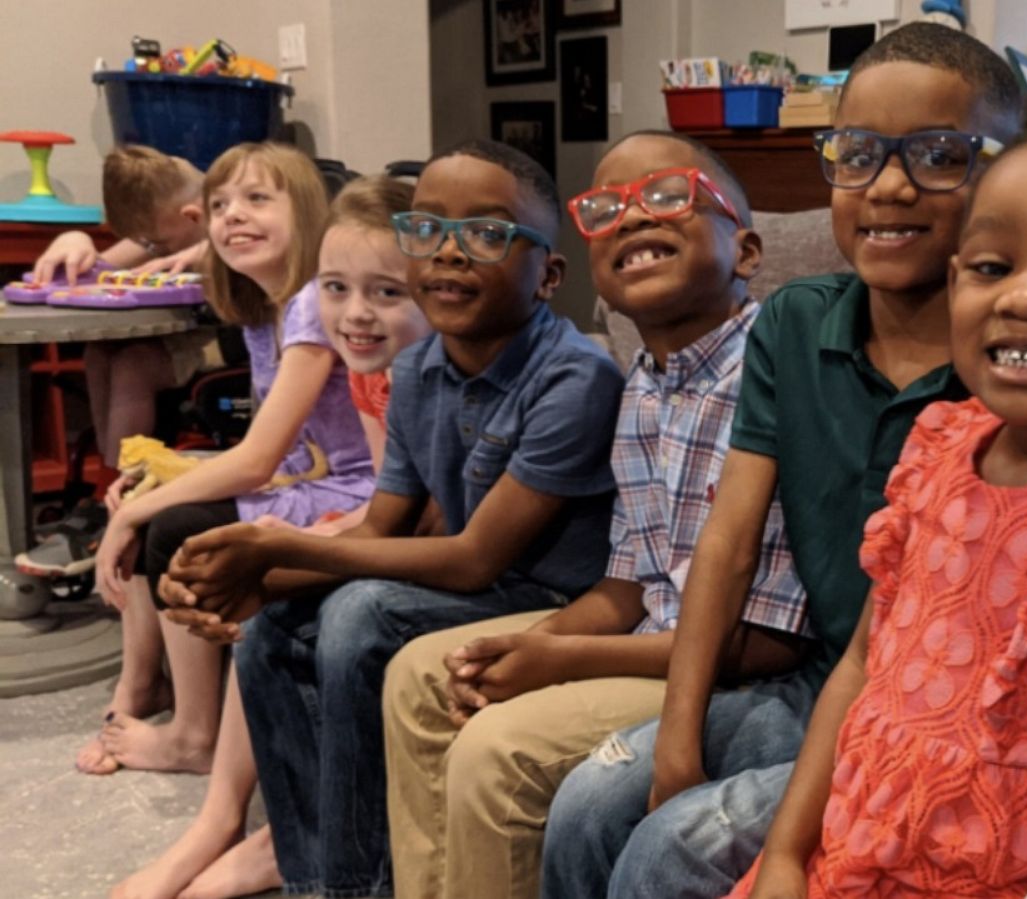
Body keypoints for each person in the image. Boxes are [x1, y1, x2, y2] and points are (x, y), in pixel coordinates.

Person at [542, 24, 1027, 899]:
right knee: (591, 802)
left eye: (942, 154)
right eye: (859, 152)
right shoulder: (803, 331)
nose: (892, 184)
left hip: (967, 756)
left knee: (672, 848)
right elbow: (732, 551)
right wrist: (678, 741)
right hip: (824, 686)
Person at [729, 49, 1027, 899]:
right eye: (991, 267)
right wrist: (790, 854)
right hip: (854, 850)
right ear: (956, 282)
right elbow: (862, 664)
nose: (1026, 297)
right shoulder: (937, 445)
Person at [160, 140, 623, 898]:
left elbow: (476, 558)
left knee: (360, 615)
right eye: (427, 229)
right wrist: (257, 578)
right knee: (270, 632)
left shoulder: (577, 377)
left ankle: (361, 885)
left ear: (549, 273)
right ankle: (313, 874)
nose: (447, 253)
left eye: (486, 233)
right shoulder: (419, 367)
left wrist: (277, 544)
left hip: (553, 595)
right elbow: (379, 529)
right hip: (476, 582)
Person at [382, 130, 811, 899]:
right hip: (658, 643)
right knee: (423, 673)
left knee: (497, 752)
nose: (636, 219)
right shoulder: (641, 385)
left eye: (671, 197)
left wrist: (559, 658)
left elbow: (768, 642)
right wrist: (527, 642)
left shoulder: (775, 372)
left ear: (746, 252)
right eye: (608, 209)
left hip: (735, 674)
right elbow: (628, 588)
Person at [113, 174, 428, 899]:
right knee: (218, 562)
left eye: (385, 292)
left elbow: (420, 516)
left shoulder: (399, 359)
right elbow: (389, 491)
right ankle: (239, 821)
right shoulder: (362, 359)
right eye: (336, 290)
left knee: (272, 596)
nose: (353, 313)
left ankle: (262, 832)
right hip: (364, 510)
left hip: (427, 545)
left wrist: (289, 551)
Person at [81, 142, 374, 777]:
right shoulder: (262, 309)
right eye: (219, 205)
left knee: (173, 526)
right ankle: (141, 685)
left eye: (257, 199)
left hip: (355, 491)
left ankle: (194, 734)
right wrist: (150, 490)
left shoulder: (308, 305)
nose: (233, 216)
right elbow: (273, 451)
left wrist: (138, 514)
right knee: (143, 498)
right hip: (308, 475)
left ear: (304, 213)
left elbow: (258, 458)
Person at [18, 145, 212, 578]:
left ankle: (119, 494)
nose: (152, 249)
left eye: (159, 242)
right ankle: (105, 489)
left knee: (133, 366)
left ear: (194, 213)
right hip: (183, 337)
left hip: (228, 343)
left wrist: (211, 255)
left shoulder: (225, 223)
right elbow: (97, 270)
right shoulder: (166, 222)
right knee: (101, 350)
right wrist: (76, 241)